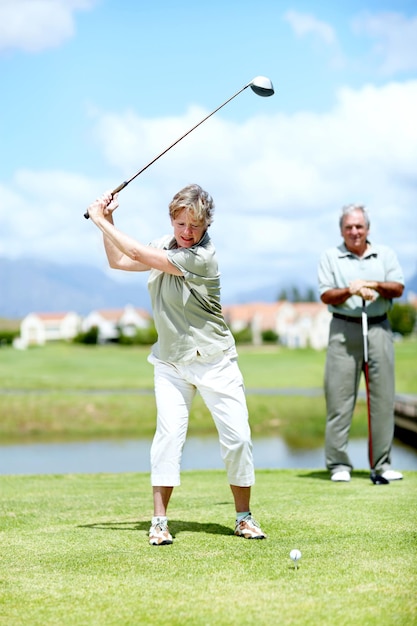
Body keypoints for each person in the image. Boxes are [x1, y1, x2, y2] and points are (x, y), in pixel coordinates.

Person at [86, 184, 266, 544]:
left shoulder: (203, 257)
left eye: (195, 226)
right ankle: (159, 522)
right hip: (170, 363)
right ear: (172, 219)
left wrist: (100, 220)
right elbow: (119, 260)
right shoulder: (164, 244)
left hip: (215, 361)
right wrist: (108, 219)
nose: (187, 233)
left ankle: (243, 517)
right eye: (181, 224)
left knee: (238, 439)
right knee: (167, 438)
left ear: (206, 225)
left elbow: (133, 250)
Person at [318, 204, 404, 482]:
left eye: (359, 226)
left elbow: (398, 288)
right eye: (348, 227)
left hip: (379, 328)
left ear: (367, 228)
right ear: (341, 230)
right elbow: (326, 295)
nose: (354, 231)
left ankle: (382, 464)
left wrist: (373, 284)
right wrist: (350, 290)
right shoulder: (331, 257)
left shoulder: (385, 254)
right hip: (344, 328)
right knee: (339, 398)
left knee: (382, 398)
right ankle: (338, 465)